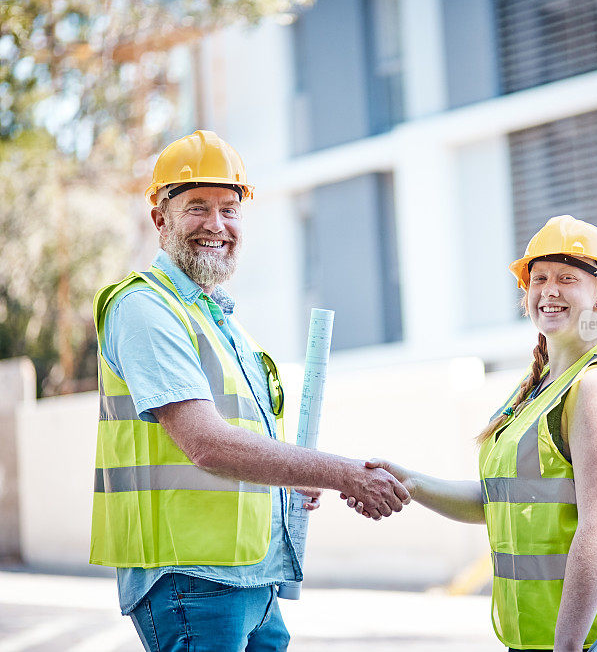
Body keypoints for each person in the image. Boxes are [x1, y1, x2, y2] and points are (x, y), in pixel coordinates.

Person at [90, 130, 410, 652]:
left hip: (252, 578)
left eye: (229, 209)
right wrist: (343, 475)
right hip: (191, 581)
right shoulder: (145, 309)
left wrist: (291, 482)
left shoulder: (220, 321)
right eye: (197, 207)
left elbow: (242, 447)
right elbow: (208, 445)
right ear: (160, 220)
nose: (216, 225)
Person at [344, 215, 597, 651]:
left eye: (567, 278)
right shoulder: (536, 391)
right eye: (539, 278)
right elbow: (498, 500)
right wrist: (411, 483)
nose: (549, 290)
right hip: (539, 634)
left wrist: (567, 645)